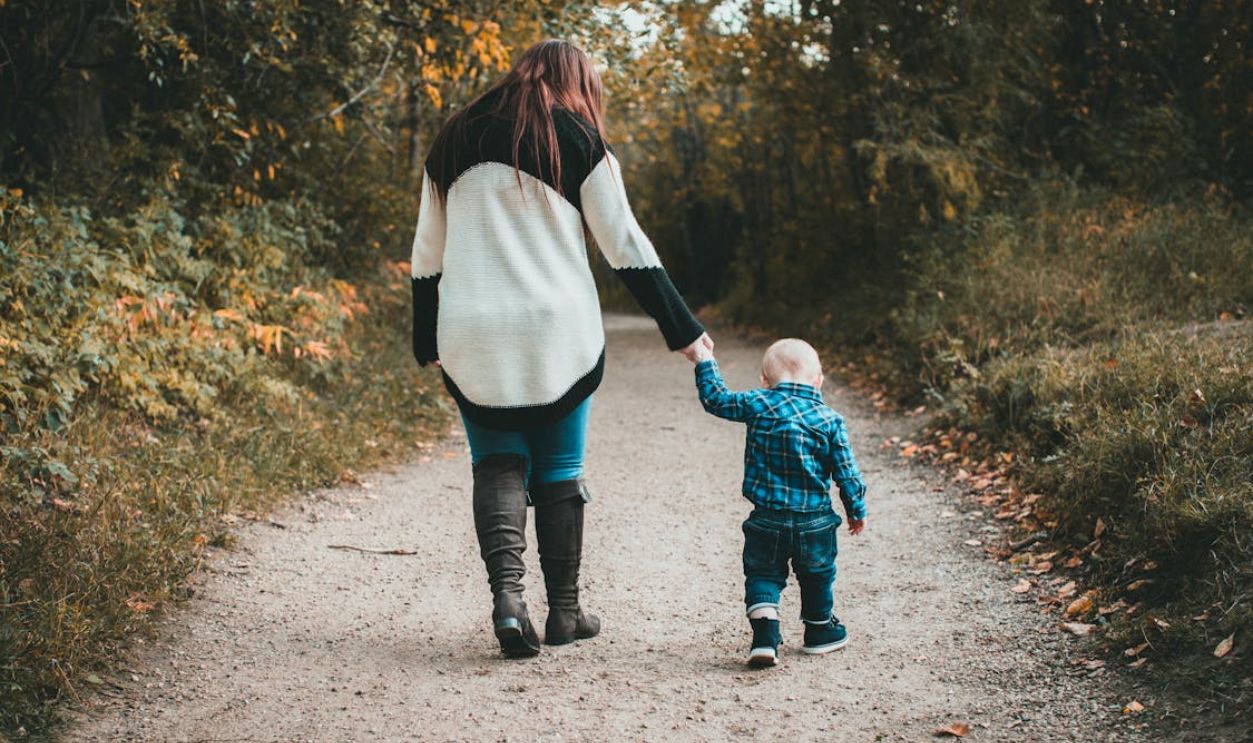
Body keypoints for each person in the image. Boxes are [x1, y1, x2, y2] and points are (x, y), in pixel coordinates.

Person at [409, 39, 713, 658]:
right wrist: (682, 328)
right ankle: (566, 612)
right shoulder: (575, 137)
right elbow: (624, 242)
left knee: (496, 461)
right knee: (559, 469)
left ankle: (507, 601)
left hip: (471, 326)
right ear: (575, 81)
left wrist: (426, 337)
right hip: (557, 330)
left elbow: (426, 255)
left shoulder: (454, 136)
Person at [690, 338, 866, 667]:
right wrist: (856, 510)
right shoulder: (829, 420)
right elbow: (847, 474)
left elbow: (716, 399)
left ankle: (765, 637)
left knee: (763, 574)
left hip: (766, 518)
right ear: (819, 381)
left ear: (764, 381)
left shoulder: (757, 402)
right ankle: (818, 630)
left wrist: (704, 361)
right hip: (814, 521)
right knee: (817, 574)